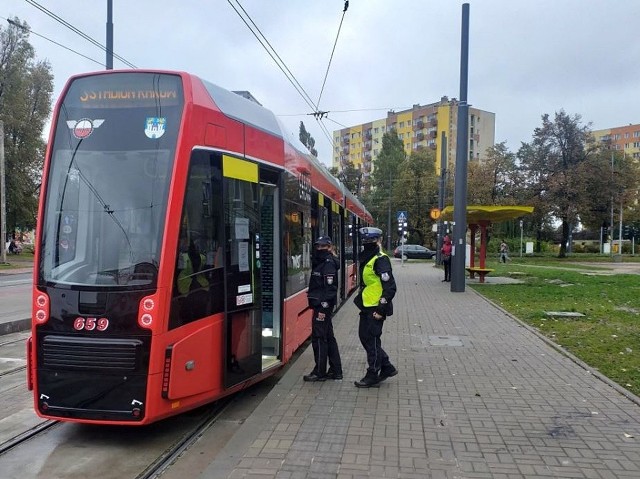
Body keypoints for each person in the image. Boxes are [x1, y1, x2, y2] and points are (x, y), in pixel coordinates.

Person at [353, 227, 397, 388]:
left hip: (376, 307)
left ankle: (373, 373)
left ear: (378, 241)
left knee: (371, 340)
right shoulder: (369, 257)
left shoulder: (381, 259)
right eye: (365, 241)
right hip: (367, 305)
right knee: (365, 337)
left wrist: (381, 309)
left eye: (370, 241)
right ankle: (387, 367)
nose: (367, 244)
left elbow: (390, 287)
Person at [303, 236, 343, 382]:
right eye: (318, 246)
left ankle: (319, 372)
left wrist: (323, 305)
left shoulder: (328, 264)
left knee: (319, 337)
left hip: (322, 305)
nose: (319, 249)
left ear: (329, 247)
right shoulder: (321, 262)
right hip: (321, 304)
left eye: (323, 246)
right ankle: (336, 370)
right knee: (329, 337)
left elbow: (330, 288)